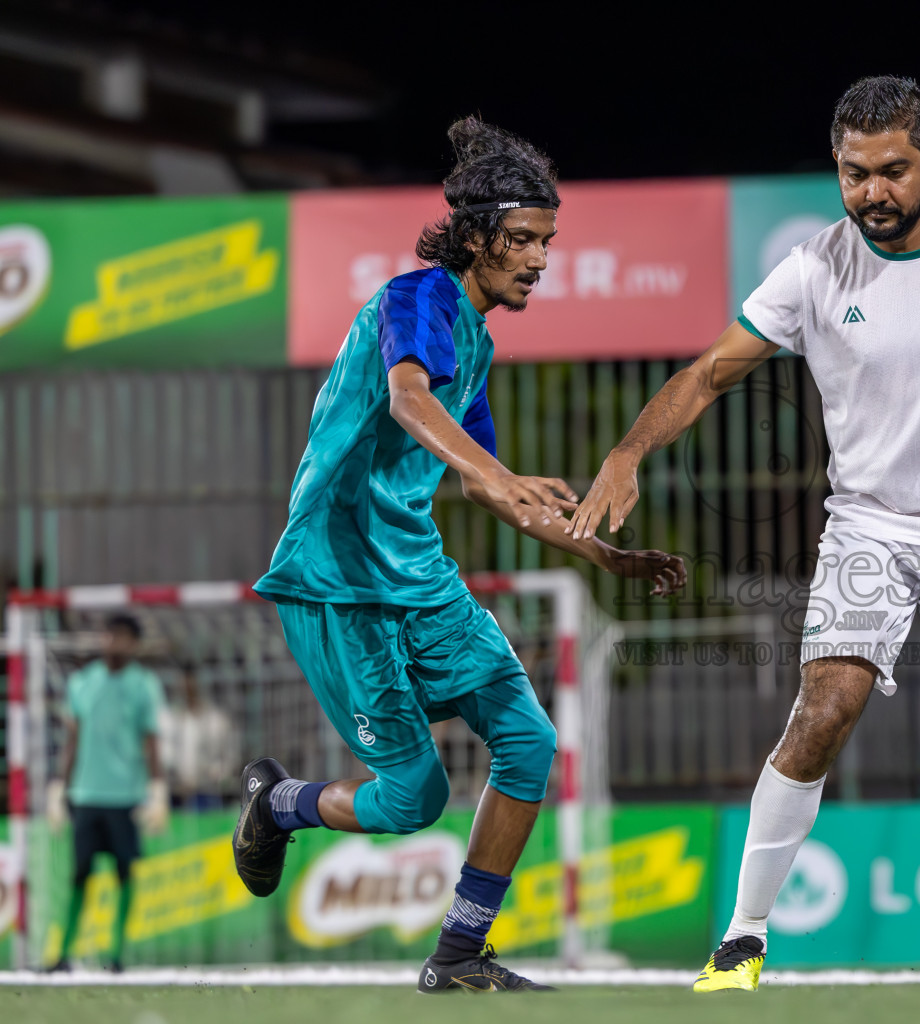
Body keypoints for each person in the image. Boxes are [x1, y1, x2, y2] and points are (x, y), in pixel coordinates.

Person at [569, 77, 920, 992]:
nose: (872, 192)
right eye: (852, 174)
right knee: (823, 712)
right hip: (868, 529)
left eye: (890, 171)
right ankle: (743, 938)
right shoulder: (813, 269)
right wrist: (628, 452)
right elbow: (708, 374)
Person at [234, 117, 685, 995]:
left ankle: (458, 957)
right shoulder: (416, 299)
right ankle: (277, 804)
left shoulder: (474, 341)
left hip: (419, 576)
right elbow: (408, 402)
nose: (540, 259)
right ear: (475, 237)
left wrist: (599, 553)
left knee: (527, 741)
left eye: (548, 242)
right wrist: (500, 472)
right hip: (340, 581)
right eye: (523, 240)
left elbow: (485, 487)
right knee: (414, 800)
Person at [44, 613, 168, 973]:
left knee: (125, 873)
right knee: (79, 873)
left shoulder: (144, 685)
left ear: (135, 643)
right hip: (86, 795)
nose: (114, 642)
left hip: (125, 797)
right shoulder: (83, 683)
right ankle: (63, 953)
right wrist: (58, 786)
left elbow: (151, 743)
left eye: (123, 636)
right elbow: (72, 741)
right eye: (110, 635)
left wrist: (158, 791)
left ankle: (114, 956)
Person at [158, 664, 237, 810]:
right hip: (175, 794)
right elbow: (164, 755)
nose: (187, 693)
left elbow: (229, 758)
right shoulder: (167, 720)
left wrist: (214, 775)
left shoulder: (216, 721)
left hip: (207, 794)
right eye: (183, 689)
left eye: (191, 688)